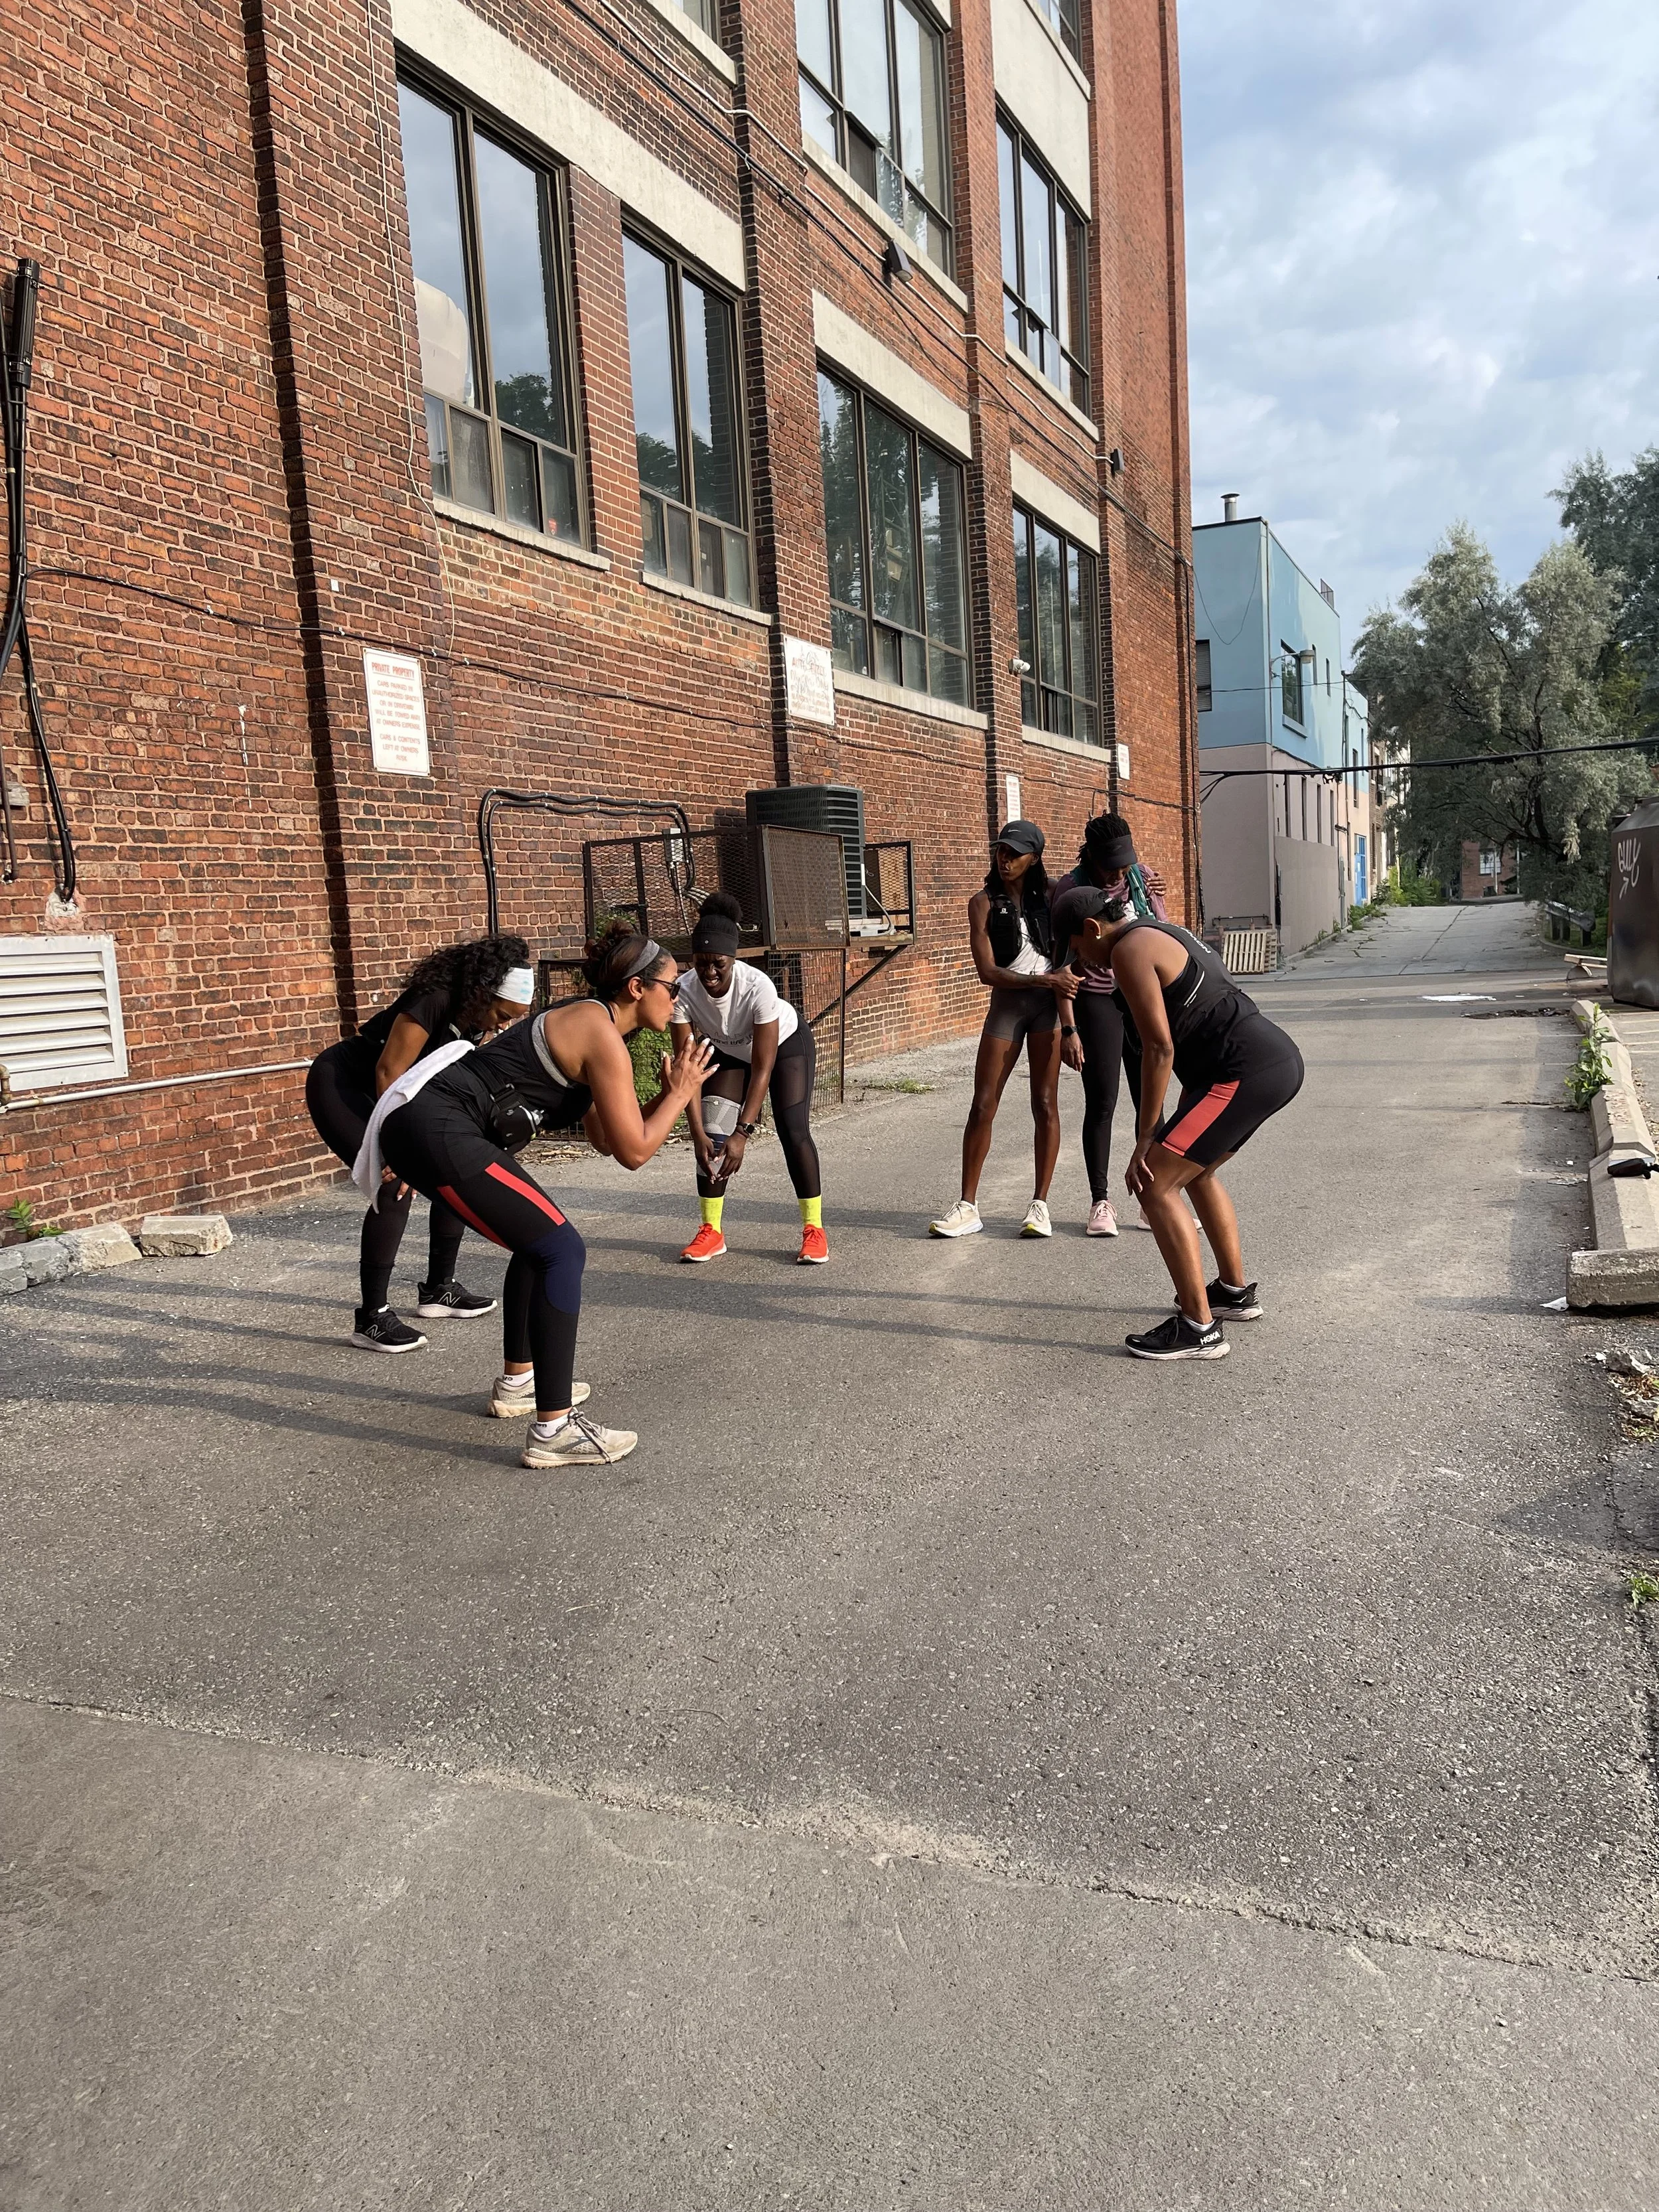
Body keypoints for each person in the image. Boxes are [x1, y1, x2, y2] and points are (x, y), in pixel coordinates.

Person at [377, 926, 714, 1467]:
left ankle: (520, 1383)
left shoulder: (599, 1028)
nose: (677, 999)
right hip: (437, 1123)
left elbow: (607, 1139)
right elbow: (634, 1153)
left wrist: (663, 1096)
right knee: (563, 1249)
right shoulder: (596, 1030)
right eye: (671, 987)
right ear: (635, 988)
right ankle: (554, 1428)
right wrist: (679, 1095)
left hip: (431, 1124)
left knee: (541, 1244)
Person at [1051, 886, 1303, 1361]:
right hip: (1266, 1061)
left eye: (1077, 950)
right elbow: (1199, 1017)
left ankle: (1199, 1328)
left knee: (1154, 1184)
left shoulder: (1128, 949)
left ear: (1091, 929)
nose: (1081, 963)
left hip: (1241, 1069)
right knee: (1197, 1171)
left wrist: (1147, 1136)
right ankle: (1231, 1293)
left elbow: (1159, 1047)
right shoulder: (1160, 929)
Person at [305, 932, 534, 1353]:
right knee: (394, 1181)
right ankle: (371, 1318)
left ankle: (438, 1290)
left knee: (455, 1166)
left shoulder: (473, 1015)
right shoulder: (434, 998)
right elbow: (389, 1071)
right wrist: (395, 1149)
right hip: (347, 1086)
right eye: (504, 1014)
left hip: (396, 1092)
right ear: (485, 994)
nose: (505, 1025)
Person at [930, 820, 1078, 1238]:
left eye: (1015, 853)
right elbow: (987, 973)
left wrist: (1070, 1026)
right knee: (983, 1104)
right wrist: (1044, 981)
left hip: (1048, 1013)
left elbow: (1083, 934)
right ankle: (968, 1206)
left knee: (1046, 1103)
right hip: (1008, 1010)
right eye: (1001, 850)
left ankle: (1040, 1205)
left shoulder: (1054, 897)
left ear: (1035, 857)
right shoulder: (982, 902)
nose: (1005, 858)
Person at [670, 892, 828, 1265]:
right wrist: (696, 1133)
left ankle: (814, 1229)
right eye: (702, 963)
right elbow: (687, 1067)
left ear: (733, 959)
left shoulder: (758, 988)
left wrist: (744, 1132)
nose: (710, 973)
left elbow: (763, 1067)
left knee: (793, 1130)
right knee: (712, 1130)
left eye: (719, 965)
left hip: (785, 1046)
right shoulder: (684, 992)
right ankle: (712, 1231)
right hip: (727, 1050)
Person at [1048, 814, 1169, 1238]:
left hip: (1141, 994)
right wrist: (1069, 1028)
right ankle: (1101, 1201)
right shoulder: (1072, 889)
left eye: (1125, 863)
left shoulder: (1141, 878)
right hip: (1096, 998)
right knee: (1102, 1100)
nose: (1120, 872)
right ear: (1091, 856)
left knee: (1148, 1101)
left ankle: (1151, 1203)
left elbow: (1161, 933)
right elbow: (1062, 960)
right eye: (1111, 866)